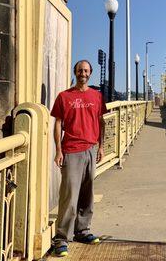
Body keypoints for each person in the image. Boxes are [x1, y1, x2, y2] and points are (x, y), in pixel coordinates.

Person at [51, 59, 107, 256]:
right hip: (72, 150)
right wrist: (58, 150)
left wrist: (101, 146)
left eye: (86, 70)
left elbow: (101, 122)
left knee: (87, 193)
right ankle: (61, 238)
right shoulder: (64, 96)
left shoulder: (97, 96)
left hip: (91, 148)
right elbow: (58, 124)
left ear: (90, 73)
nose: (83, 73)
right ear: (75, 73)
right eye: (79, 70)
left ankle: (82, 231)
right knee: (69, 196)